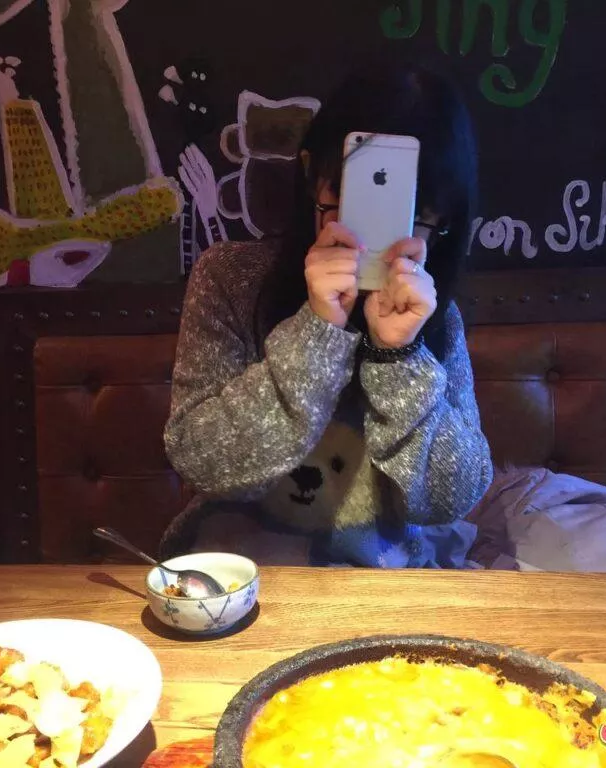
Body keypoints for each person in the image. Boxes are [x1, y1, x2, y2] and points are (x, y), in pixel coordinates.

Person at [161, 59, 494, 567]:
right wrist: (317, 332)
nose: (379, 231)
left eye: (414, 210)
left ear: (442, 216)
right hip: (240, 577)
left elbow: (451, 498)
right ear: (311, 174)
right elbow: (201, 461)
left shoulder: (436, 315)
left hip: (383, 587)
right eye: (350, 194)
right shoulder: (230, 279)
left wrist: (400, 357)